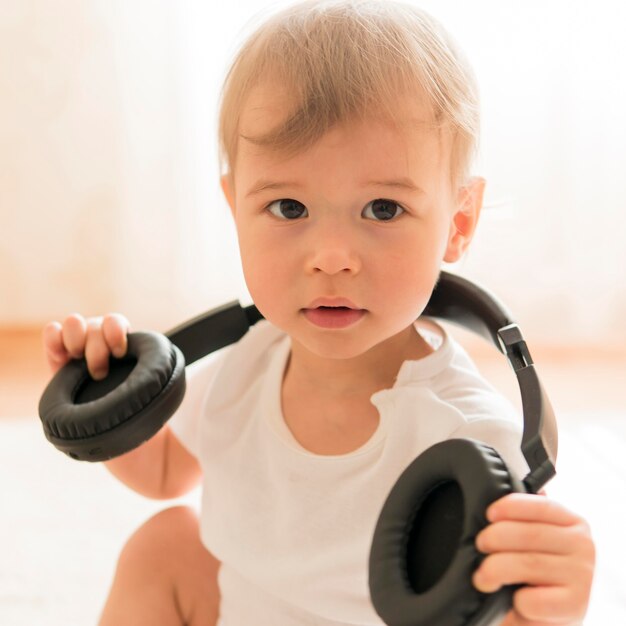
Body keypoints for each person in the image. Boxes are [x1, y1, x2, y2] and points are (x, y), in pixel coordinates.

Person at [42, 1, 595, 624]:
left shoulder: (470, 441)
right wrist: (110, 407)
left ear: (458, 223)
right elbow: (170, 472)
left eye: (382, 209)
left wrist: (547, 600)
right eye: (288, 208)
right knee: (165, 545)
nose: (331, 259)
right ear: (234, 207)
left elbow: (499, 593)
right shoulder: (248, 361)